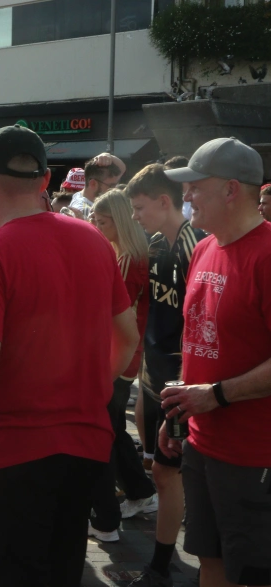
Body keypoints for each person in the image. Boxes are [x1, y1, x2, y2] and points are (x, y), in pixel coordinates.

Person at [0, 125, 139, 586]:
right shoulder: (93, 240)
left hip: (14, 452)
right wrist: (92, 388)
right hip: (84, 446)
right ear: (45, 180)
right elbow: (127, 336)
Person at [157, 138, 271, 587]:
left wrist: (216, 396)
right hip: (201, 444)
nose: (185, 195)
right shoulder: (205, 248)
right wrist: (179, 414)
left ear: (230, 190)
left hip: (254, 455)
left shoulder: (266, 254)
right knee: (211, 562)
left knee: (251, 575)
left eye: (194, 186)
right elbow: (198, 342)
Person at [124, 162, 207, 586]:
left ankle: (167, 565)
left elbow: (198, 325)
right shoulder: (156, 244)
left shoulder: (197, 246)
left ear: (163, 201)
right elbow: (154, 313)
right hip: (157, 378)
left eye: (139, 207)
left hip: (182, 383)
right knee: (166, 472)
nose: (134, 216)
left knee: (170, 472)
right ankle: (169, 562)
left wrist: (183, 383)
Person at [87, 190, 157, 544]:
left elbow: (118, 313)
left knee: (105, 431)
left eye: (102, 222)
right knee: (113, 428)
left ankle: (109, 514)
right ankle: (139, 490)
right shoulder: (126, 253)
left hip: (119, 355)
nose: (98, 228)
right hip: (125, 353)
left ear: (119, 221)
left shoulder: (127, 258)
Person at [69, 153, 126, 219]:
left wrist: (106, 156)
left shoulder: (81, 196)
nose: (115, 190)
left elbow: (122, 168)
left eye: (116, 185)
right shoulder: (85, 211)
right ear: (93, 184)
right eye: (111, 186)